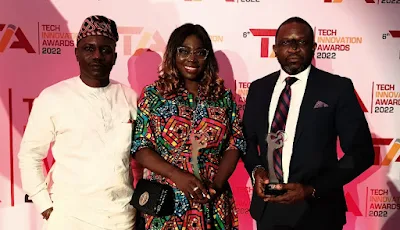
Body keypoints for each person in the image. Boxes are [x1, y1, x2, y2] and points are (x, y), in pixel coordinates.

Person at [242, 17, 374, 230]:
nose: (293, 48)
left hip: (318, 211)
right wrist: (256, 170)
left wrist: (312, 189)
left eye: (301, 42)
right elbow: (246, 141)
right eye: (286, 43)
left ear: (313, 47)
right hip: (268, 211)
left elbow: (361, 153)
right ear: (275, 48)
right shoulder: (259, 89)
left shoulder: (337, 88)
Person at [18, 15, 137, 230]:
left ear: (115, 56)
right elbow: (30, 155)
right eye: (89, 48)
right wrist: (43, 204)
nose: (97, 56)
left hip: (121, 219)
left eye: (105, 50)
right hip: (68, 219)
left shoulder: (129, 97)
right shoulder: (53, 97)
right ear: (77, 53)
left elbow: (138, 157)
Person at [131, 23, 246, 230]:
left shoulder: (223, 97)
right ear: (173, 54)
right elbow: (140, 147)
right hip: (167, 202)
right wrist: (177, 176)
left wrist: (217, 185)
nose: (192, 58)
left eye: (199, 52)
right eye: (183, 51)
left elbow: (235, 142)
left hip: (212, 200)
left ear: (208, 57)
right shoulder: (154, 95)